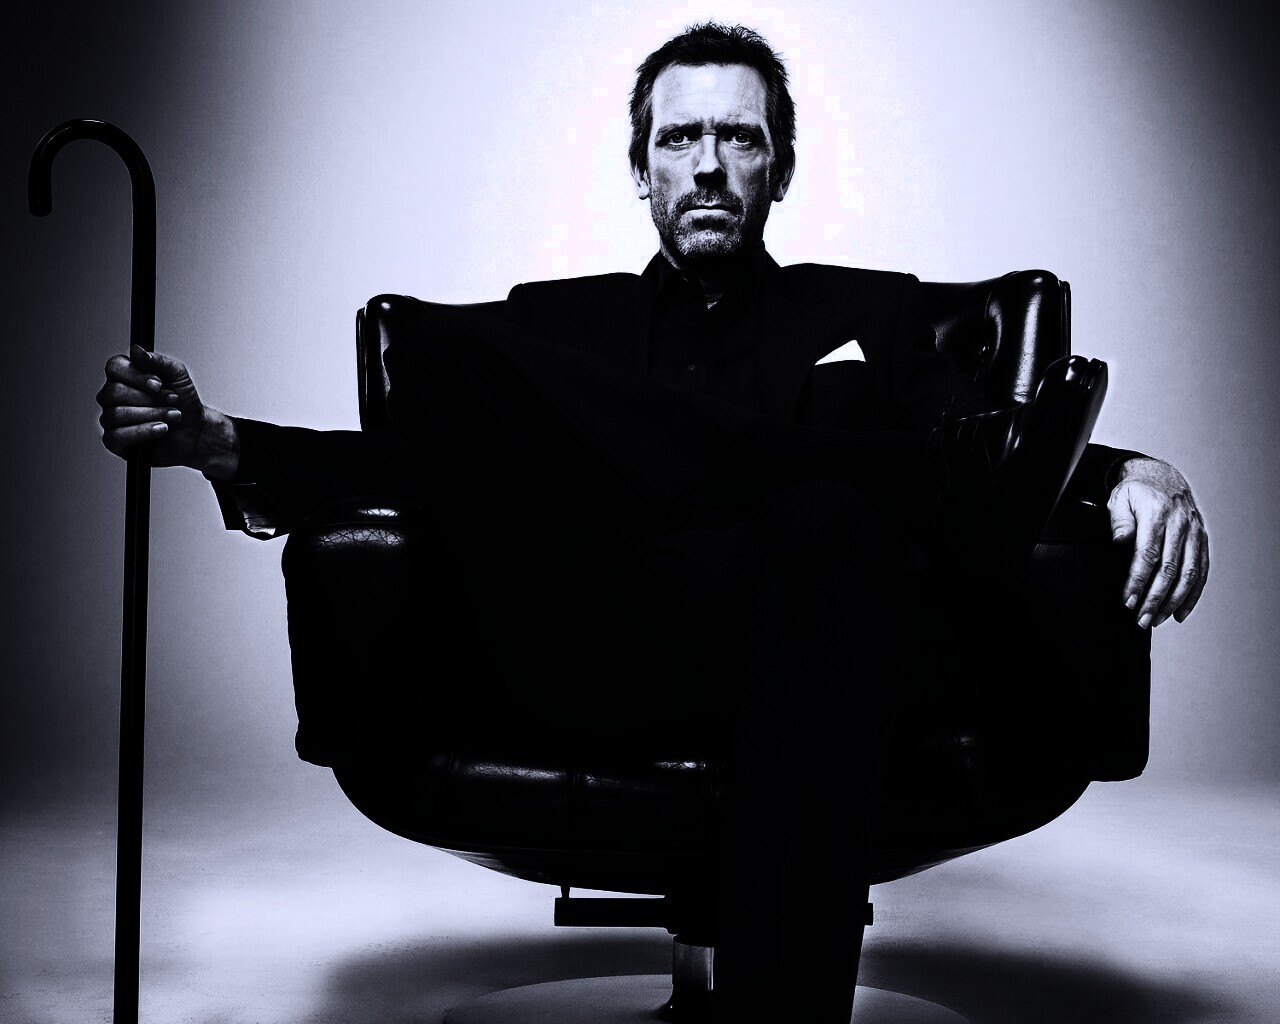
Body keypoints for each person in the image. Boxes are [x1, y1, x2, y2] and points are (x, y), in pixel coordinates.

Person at [95, 22, 1208, 1023]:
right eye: (680, 139)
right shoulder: (557, 329)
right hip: (607, 641)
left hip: (823, 642)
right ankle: (826, 474)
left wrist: (1129, 472)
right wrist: (219, 442)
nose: (709, 166)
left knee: (824, 517)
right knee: (447, 358)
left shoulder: (870, 308)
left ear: (778, 167)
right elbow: (419, 471)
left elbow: (989, 448)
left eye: (740, 138)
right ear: (642, 169)